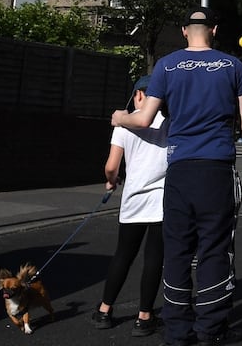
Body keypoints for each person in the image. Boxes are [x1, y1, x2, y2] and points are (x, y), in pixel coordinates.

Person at [111, 7, 242, 346]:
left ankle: (178, 330)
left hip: (179, 169)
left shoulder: (166, 65)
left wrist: (120, 117)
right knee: (214, 247)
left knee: (178, 248)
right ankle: (210, 329)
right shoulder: (233, 66)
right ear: (215, 29)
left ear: (184, 31)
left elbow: (145, 118)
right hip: (217, 169)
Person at [92, 76, 167, 338]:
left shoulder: (124, 123)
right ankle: (144, 316)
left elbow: (111, 167)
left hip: (133, 198)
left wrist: (112, 182)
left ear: (138, 95)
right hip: (162, 200)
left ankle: (104, 310)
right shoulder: (167, 123)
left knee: (123, 254)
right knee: (154, 258)